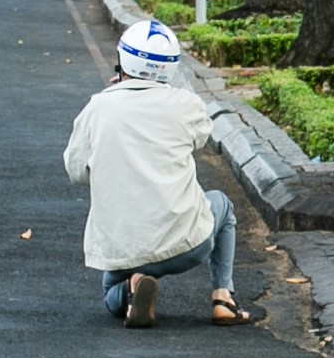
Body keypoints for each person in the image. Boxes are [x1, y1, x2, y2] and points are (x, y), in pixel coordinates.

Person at [65, 18, 253, 327]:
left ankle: (134, 284)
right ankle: (223, 299)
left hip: (125, 247)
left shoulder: (98, 107)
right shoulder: (186, 105)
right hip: (187, 244)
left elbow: (77, 172)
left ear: (122, 60)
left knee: (110, 289)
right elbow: (201, 135)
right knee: (223, 204)